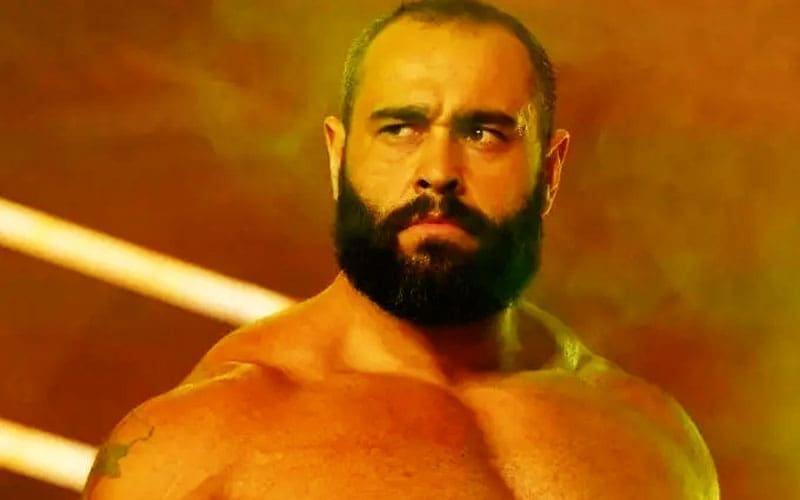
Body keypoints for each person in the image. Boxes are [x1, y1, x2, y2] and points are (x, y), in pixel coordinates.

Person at [83, 1, 719, 498]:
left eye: (484, 133)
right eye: (400, 128)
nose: (438, 172)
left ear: (550, 171)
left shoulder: (651, 437)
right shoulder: (196, 445)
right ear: (338, 157)